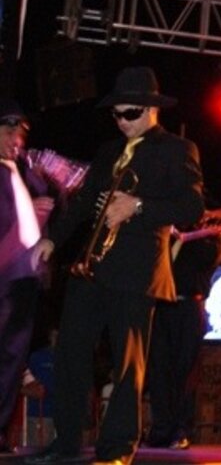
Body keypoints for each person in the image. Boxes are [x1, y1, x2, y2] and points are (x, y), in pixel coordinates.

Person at [27, 66, 205, 465]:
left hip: (137, 272)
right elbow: (82, 203)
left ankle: (118, 447)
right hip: (92, 267)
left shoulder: (178, 149)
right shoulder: (109, 151)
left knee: (127, 363)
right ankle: (66, 442)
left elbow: (192, 206)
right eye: (117, 114)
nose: (123, 122)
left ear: (152, 110)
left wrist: (138, 206)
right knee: (70, 353)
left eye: (131, 114)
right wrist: (53, 239)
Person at [0, 98, 55, 454]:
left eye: (19, 134)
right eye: (7, 132)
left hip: (24, 279)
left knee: (13, 357)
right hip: (3, 275)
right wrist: (28, 213)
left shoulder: (28, 172)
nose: (15, 140)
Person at [145, 226, 221, 450]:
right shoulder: (164, 231)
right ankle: (161, 429)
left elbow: (212, 257)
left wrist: (194, 233)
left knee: (186, 370)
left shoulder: (209, 237)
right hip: (160, 305)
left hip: (189, 305)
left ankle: (181, 429)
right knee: (159, 370)